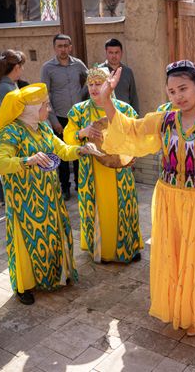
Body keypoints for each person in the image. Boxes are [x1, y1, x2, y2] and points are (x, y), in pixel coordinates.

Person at [96, 60, 195, 336]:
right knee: (173, 255)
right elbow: (130, 130)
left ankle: (194, 313)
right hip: (167, 198)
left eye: (184, 88)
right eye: (172, 91)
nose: (178, 96)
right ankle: (177, 307)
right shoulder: (163, 120)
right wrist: (106, 100)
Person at [0, 83, 99, 305]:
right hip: (25, 203)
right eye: (45, 105)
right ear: (30, 108)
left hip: (49, 197)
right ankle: (25, 286)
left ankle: (54, 276)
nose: (49, 109)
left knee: (51, 236)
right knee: (28, 242)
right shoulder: (10, 132)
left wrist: (81, 149)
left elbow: (61, 150)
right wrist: (26, 161)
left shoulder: (43, 129)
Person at [64, 67, 143, 263]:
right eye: (90, 84)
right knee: (97, 208)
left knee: (123, 207)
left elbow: (136, 135)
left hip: (119, 171)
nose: (93, 88)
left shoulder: (124, 109)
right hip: (92, 170)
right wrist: (83, 133)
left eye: (98, 83)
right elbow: (67, 138)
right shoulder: (78, 111)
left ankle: (128, 248)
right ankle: (102, 251)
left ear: (109, 85)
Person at [41, 34, 89, 201]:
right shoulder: (47, 68)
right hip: (60, 117)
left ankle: (79, 184)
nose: (63, 49)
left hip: (77, 118)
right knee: (62, 154)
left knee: (77, 151)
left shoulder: (78, 65)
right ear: (55, 48)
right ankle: (65, 187)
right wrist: (53, 121)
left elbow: (90, 79)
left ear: (70, 47)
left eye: (65, 46)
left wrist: (83, 97)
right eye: (59, 46)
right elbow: (45, 96)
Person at [0, 50, 27, 206]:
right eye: (21, 67)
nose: (22, 71)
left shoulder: (4, 84)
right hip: (9, 137)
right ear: (16, 67)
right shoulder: (5, 87)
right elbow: (9, 116)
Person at [99, 38, 139, 114]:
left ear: (121, 53)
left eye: (117, 52)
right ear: (106, 53)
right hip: (105, 115)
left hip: (125, 115)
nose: (114, 56)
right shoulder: (99, 71)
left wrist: (136, 116)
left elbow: (133, 97)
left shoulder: (128, 72)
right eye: (111, 52)